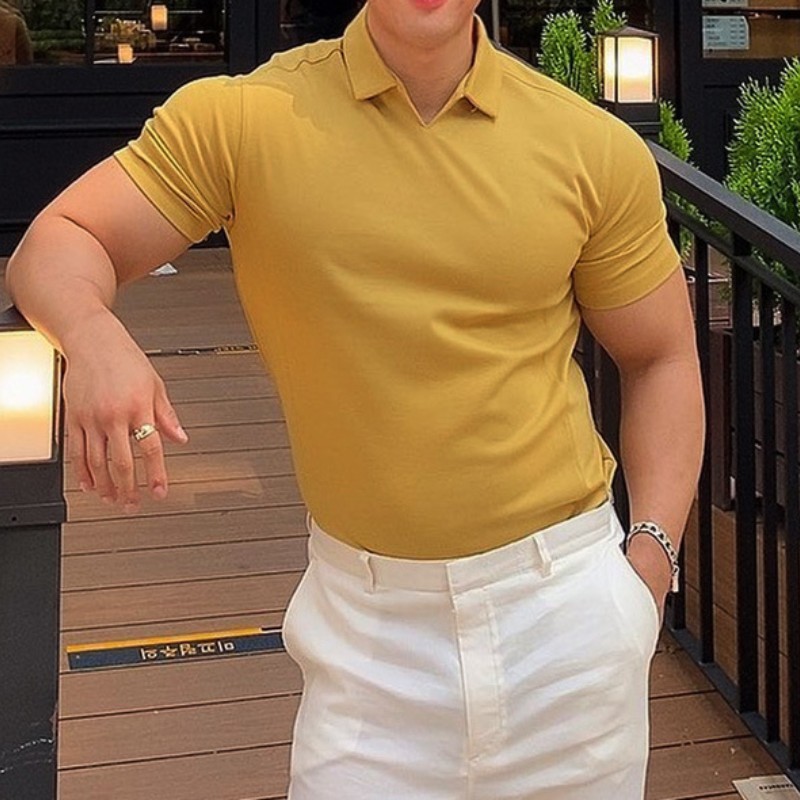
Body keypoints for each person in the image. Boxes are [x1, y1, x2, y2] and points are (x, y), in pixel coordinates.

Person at [5, 0, 705, 797]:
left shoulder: (588, 145)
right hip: (367, 642)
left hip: (566, 621)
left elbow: (660, 357)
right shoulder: (245, 120)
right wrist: (94, 339)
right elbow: (60, 241)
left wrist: (648, 568)